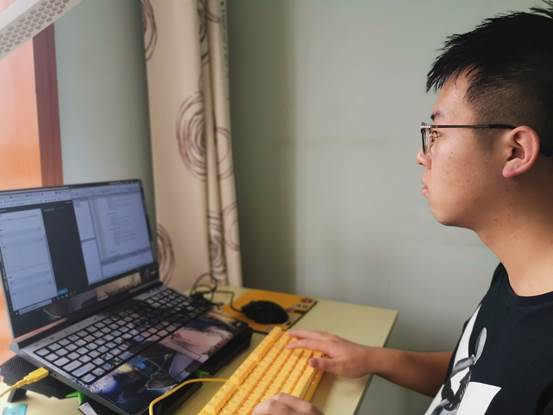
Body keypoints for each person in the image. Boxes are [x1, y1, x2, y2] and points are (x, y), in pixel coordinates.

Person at [253, 2, 553, 414]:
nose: (421, 154)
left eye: (437, 131)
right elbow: (475, 379)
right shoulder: (518, 278)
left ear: (515, 151)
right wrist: (374, 359)